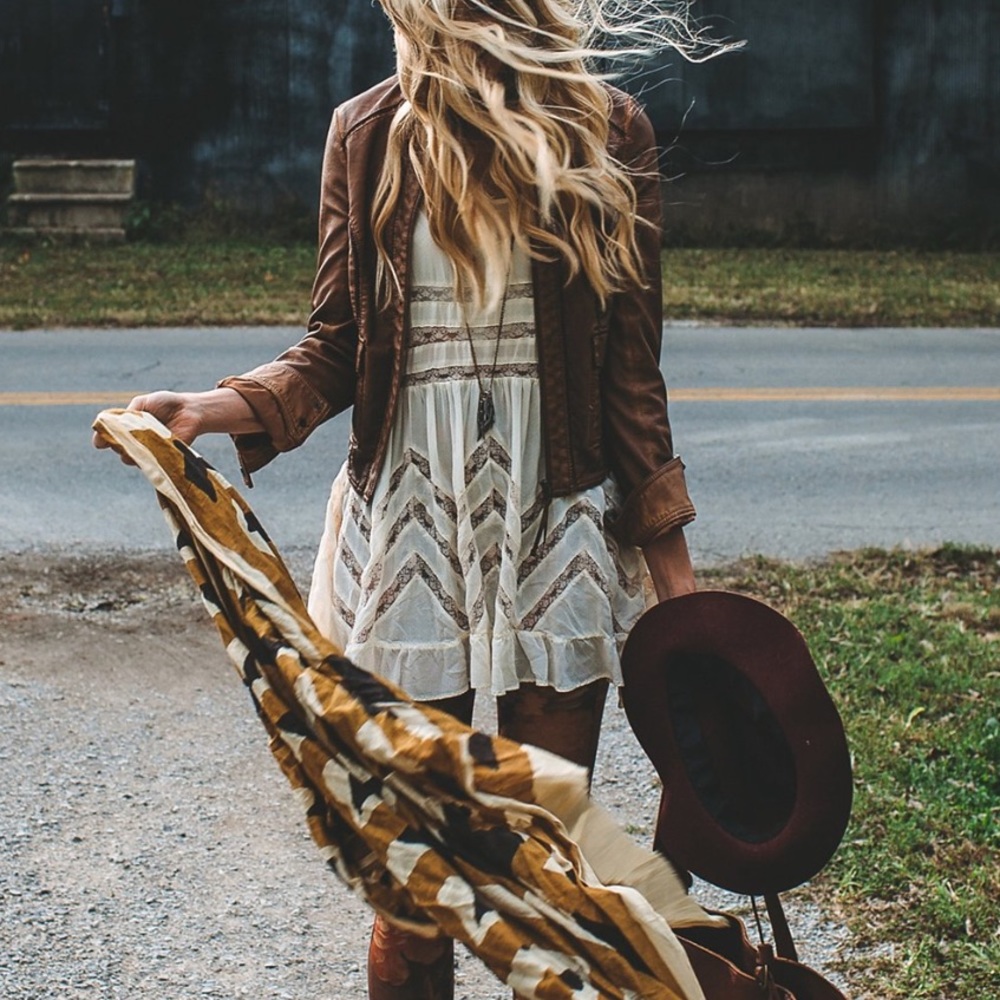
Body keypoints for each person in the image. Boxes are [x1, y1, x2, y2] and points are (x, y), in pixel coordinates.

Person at [95, 1, 708, 996]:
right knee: (417, 902)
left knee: (544, 894)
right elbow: (335, 344)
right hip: (408, 537)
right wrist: (214, 407)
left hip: (551, 536)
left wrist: (679, 590)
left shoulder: (606, 131)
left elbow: (632, 381)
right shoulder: (369, 132)